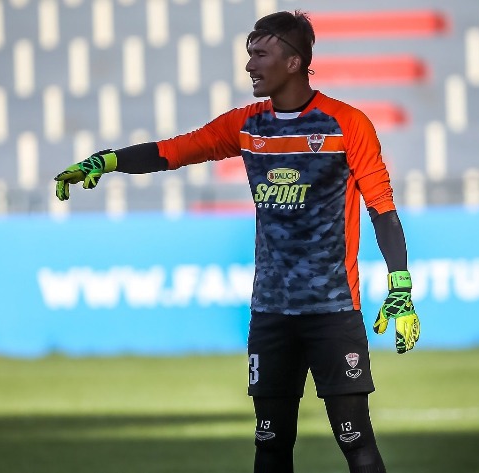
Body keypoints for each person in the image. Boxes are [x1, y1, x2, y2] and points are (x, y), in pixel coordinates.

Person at [54, 10, 420, 473]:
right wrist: (106, 162)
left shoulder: (347, 124)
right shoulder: (246, 125)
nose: (249, 65)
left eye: (260, 54)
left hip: (333, 312)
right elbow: (175, 150)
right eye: (250, 54)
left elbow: (382, 209)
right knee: (270, 445)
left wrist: (400, 285)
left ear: (294, 62)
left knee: (356, 442)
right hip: (270, 313)